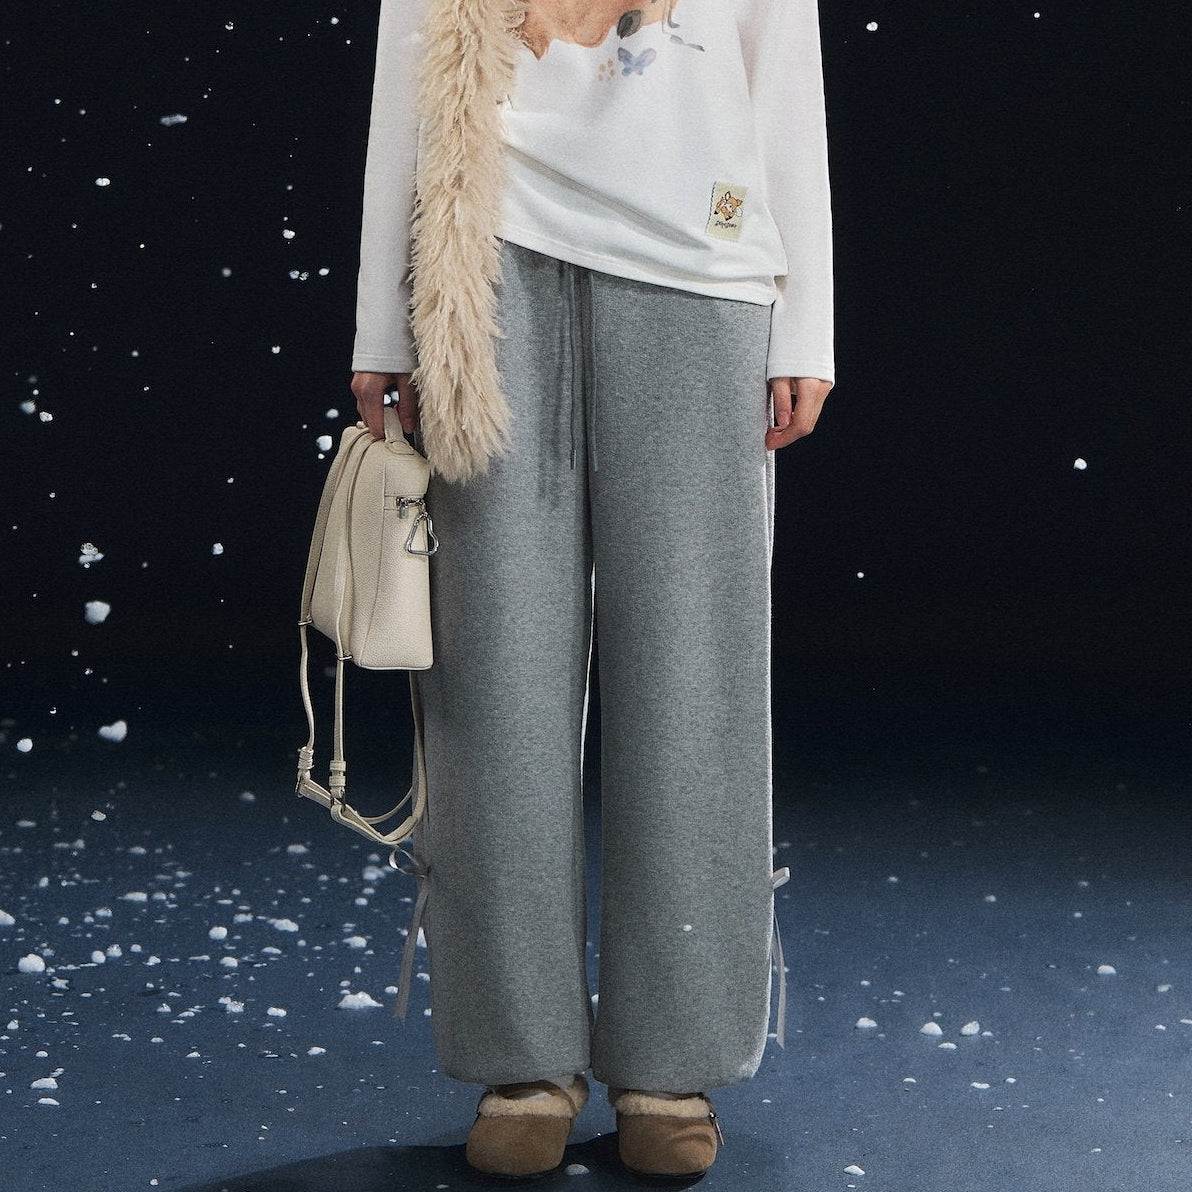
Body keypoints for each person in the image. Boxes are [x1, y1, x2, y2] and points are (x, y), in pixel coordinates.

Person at [349, 0, 834, 1179]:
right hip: (485, 273)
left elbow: (784, 77)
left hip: (700, 267)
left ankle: (673, 1062)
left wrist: (805, 329)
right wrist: (382, 323)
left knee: (693, 669)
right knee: (494, 674)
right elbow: (403, 84)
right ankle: (521, 1061)